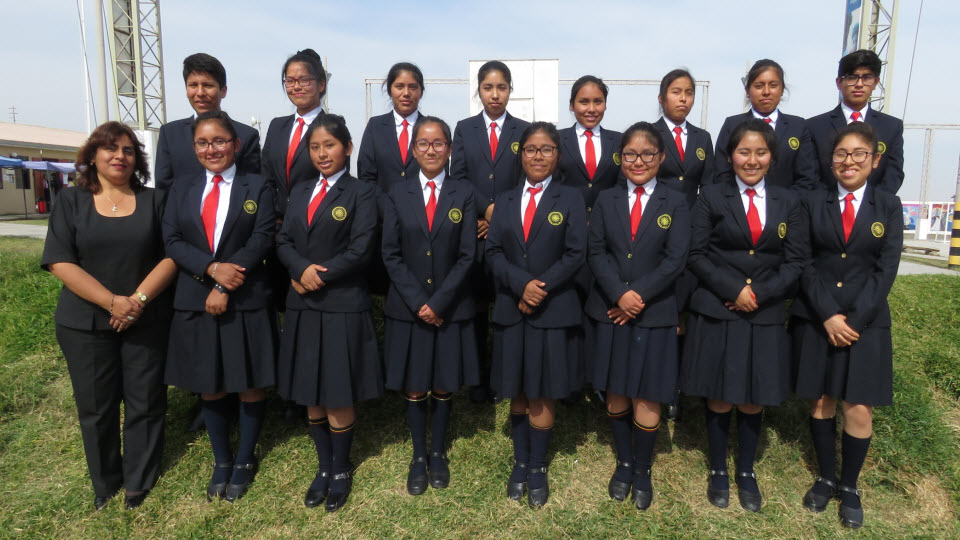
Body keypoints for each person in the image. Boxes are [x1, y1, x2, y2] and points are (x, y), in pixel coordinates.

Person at [42, 121, 177, 510]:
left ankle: (139, 479)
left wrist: (137, 300)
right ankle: (105, 482)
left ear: (138, 159)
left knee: (145, 401)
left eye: (128, 150)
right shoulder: (71, 201)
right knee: (96, 406)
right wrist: (112, 302)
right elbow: (59, 261)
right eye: (110, 148)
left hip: (145, 318)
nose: (120, 156)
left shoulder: (155, 201)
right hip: (84, 323)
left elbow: (171, 256)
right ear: (93, 155)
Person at [680, 119, 806, 513]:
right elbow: (696, 253)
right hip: (719, 307)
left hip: (764, 311)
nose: (752, 160)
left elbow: (796, 261)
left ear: (772, 157)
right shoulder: (710, 196)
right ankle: (718, 468)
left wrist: (759, 293)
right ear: (730, 156)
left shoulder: (789, 201)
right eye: (743, 152)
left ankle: (746, 470)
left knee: (754, 397)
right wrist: (733, 289)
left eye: (760, 152)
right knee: (719, 394)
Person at [791, 122, 902, 529]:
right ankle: (825, 476)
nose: (849, 161)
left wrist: (852, 321)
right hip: (818, 317)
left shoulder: (888, 205)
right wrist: (827, 315)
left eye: (858, 154)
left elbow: (886, 269)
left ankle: (850, 486)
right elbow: (802, 261)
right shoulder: (811, 202)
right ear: (830, 160)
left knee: (858, 406)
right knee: (821, 400)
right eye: (841, 154)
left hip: (865, 323)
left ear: (875, 160)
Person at [162, 111, 277, 503]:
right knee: (209, 384)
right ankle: (222, 459)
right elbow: (172, 240)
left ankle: (244, 459)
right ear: (194, 147)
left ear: (236, 145)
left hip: (245, 296)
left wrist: (226, 284)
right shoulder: (182, 187)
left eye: (219, 141)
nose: (211, 149)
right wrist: (212, 271)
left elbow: (262, 237)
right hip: (195, 299)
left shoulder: (257, 185)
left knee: (249, 382)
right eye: (203, 142)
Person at [275, 114, 381, 512]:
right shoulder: (301, 189)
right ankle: (323, 466)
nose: (322, 153)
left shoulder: (362, 192)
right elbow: (283, 239)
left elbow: (361, 248)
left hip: (341, 302)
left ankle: (340, 468)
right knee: (310, 389)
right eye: (315, 147)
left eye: (330, 145)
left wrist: (317, 275)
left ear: (347, 148)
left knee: (336, 389)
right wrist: (298, 269)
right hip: (302, 303)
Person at [585, 122, 690, 510]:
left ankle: (643, 469)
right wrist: (619, 293)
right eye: (630, 154)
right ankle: (624, 462)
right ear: (620, 158)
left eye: (647, 154)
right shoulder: (607, 199)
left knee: (647, 392)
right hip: (612, 310)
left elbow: (676, 258)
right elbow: (596, 252)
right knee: (616, 389)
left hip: (654, 311)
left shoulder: (675, 201)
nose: (638, 161)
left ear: (661, 157)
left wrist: (638, 295)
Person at [485, 122, 587, 508]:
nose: (538, 156)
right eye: (530, 149)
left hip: (552, 309)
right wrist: (520, 285)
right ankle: (520, 460)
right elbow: (493, 251)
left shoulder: (571, 197)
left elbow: (576, 253)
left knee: (541, 390)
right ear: (520, 154)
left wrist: (538, 288)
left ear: (557, 155)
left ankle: (539, 465)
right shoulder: (506, 199)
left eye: (546, 149)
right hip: (513, 308)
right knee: (517, 388)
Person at [382, 117, 479, 496]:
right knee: (414, 384)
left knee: (442, 382)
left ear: (450, 149)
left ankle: (438, 452)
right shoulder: (396, 192)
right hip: (409, 309)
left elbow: (468, 254)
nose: (431, 150)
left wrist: (438, 302)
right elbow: (390, 254)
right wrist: (419, 301)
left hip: (450, 308)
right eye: (423, 143)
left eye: (439, 143)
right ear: (413, 150)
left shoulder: (463, 192)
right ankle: (418, 455)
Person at [450, 60, 530, 403]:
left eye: (501, 87)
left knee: (508, 305)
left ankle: (506, 376)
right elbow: (459, 177)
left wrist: (503, 215)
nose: (495, 95)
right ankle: (479, 378)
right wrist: (485, 211)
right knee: (478, 306)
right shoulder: (464, 129)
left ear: (510, 90)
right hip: (477, 230)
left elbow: (528, 177)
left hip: (513, 231)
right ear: (478, 90)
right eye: (488, 88)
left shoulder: (524, 129)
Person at [154, 53, 260, 192]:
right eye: (193, 85)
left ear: (223, 91)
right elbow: (163, 188)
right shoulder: (170, 134)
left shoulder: (246, 136)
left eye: (207, 85)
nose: (200, 92)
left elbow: (252, 188)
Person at [807, 49, 905, 194]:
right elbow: (810, 175)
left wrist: (868, 203)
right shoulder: (814, 127)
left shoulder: (891, 127)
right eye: (852, 77)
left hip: (874, 205)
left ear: (876, 82)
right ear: (839, 83)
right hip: (825, 204)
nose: (859, 84)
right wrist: (832, 203)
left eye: (867, 78)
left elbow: (893, 175)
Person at [713, 59, 818, 191]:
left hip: (789, 203)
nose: (766, 92)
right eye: (759, 86)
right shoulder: (732, 125)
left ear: (782, 89)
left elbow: (807, 177)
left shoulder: (798, 127)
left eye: (773, 85)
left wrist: (785, 202)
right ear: (747, 90)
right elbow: (722, 174)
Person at [261, 49, 329, 218]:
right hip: (277, 221)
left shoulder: (332, 127)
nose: (296, 87)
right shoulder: (277, 126)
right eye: (290, 81)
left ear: (321, 84)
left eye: (304, 80)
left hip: (315, 220)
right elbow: (266, 176)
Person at [557, 75, 622, 211]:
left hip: (607, 218)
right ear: (572, 105)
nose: (591, 109)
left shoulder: (620, 141)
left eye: (598, 102)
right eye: (584, 102)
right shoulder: (556, 140)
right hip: (566, 218)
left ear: (605, 104)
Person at [358, 62, 424, 192]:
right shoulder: (375, 127)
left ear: (421, 92)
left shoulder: (431, 129)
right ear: (389, 90)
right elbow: (366, 175)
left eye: (413, 87)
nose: (406, 93)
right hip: (381, 203)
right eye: (399, 87)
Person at [654, 69, 714, 208]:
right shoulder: (649, 134)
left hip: (693, 214)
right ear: (661, 98)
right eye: (676, 92)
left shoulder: (703, 138)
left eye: (689, 93)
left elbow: (708, 184)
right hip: (656, 213)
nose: (683, 98)